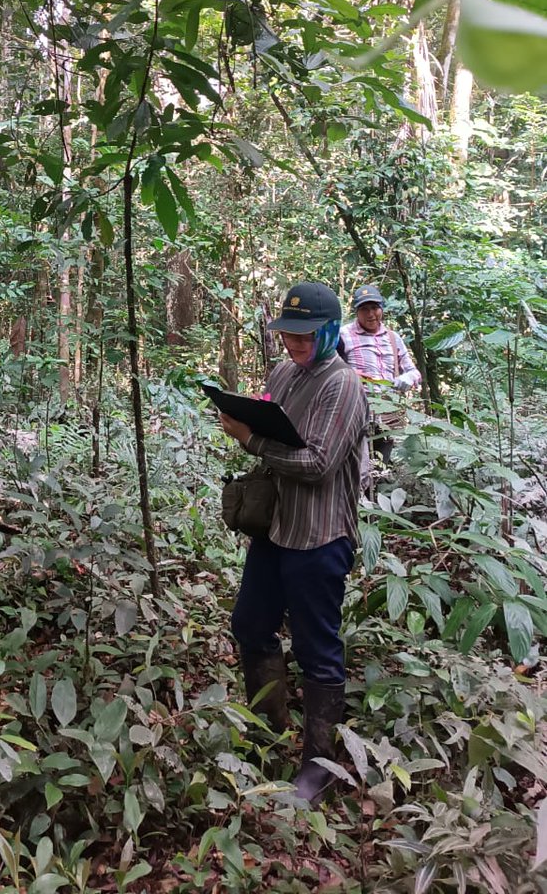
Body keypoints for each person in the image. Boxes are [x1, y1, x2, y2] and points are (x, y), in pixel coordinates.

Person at [219, 281, 368, 806]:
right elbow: (274, 421)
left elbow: (319, 463)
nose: (295, 345)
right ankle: (269, 729)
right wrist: (248, 415)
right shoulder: (284, 372)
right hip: (277, 527)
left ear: (329, 331)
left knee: (316, 648)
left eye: (306, 336)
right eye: (288, 335)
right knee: (251, 624)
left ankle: (319, 767)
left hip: (320, 534)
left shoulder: (343, 385)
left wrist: (249, 438)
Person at [340, 283, 421, 464]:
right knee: (357, 467)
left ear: (382, 309)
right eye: (364, 309)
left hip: (388, 418)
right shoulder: (343, 335)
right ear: (356, 311)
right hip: (356, 415)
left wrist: (408, 378)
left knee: (383, 468)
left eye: (375, 308)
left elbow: (415, 372)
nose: (371, 314)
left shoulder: (393, 338)